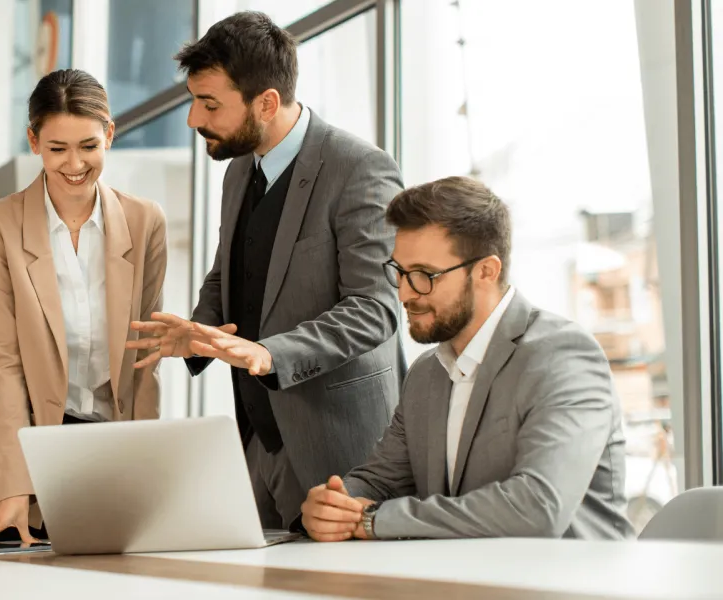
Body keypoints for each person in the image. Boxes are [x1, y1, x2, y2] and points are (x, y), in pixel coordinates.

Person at [126, 11, 404, 530]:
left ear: (267, 103)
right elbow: (228, 272)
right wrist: (198, 331)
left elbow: (375, 309)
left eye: (210, 104)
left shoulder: (360, 169)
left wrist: (270, 353)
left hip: (341, 447)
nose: (193, 119)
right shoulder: (238, 171)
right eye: (193, 100)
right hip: (258, 439)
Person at [299, 176, 634, 542]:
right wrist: (334, 504)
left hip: (569, 574)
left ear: (486, 271)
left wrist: (374, 520)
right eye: (400, 272)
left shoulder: (564, 356)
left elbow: (538, 508)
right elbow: (380, 480)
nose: (405, 293)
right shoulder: (426, 373)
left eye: (424, 275)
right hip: (462, 572)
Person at [0, 69, 167, 546]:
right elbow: (2, 366)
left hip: (107, 459)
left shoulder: (144, 221)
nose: (75, 164)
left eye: (88, 146)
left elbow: (145, 360)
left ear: (109, 134)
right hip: (16, 466)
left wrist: (147, 474)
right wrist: (15, 486)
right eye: (57, 149)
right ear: (33, 141)